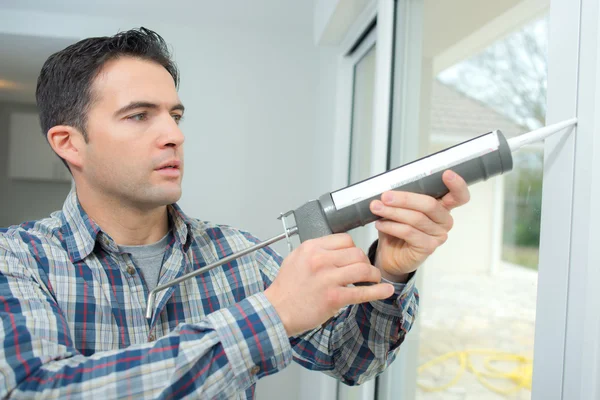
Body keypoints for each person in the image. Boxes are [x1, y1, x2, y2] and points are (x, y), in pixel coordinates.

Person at [0, 27, 470, 399]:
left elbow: (351, 360)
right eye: (140, 115)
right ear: (69, 143)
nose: (174, 135)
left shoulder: (238, 253)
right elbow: (35, 390)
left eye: (176, 116)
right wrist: (272, 315)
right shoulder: (17, 260)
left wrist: (390, 271)